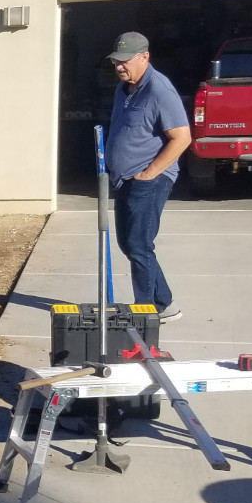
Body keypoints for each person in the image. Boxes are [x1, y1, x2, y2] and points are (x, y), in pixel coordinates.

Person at [103, 32, 191, 324]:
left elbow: (182, 138)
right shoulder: (124, 89)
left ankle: (145, 314)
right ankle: (163, 302)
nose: (119, 67)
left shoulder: (159, 90)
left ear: (145, 57)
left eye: (125, 61)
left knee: (139, 244)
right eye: (116, 61)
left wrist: (149, 173)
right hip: (123, 180)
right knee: (130, 244)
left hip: (150, 179)